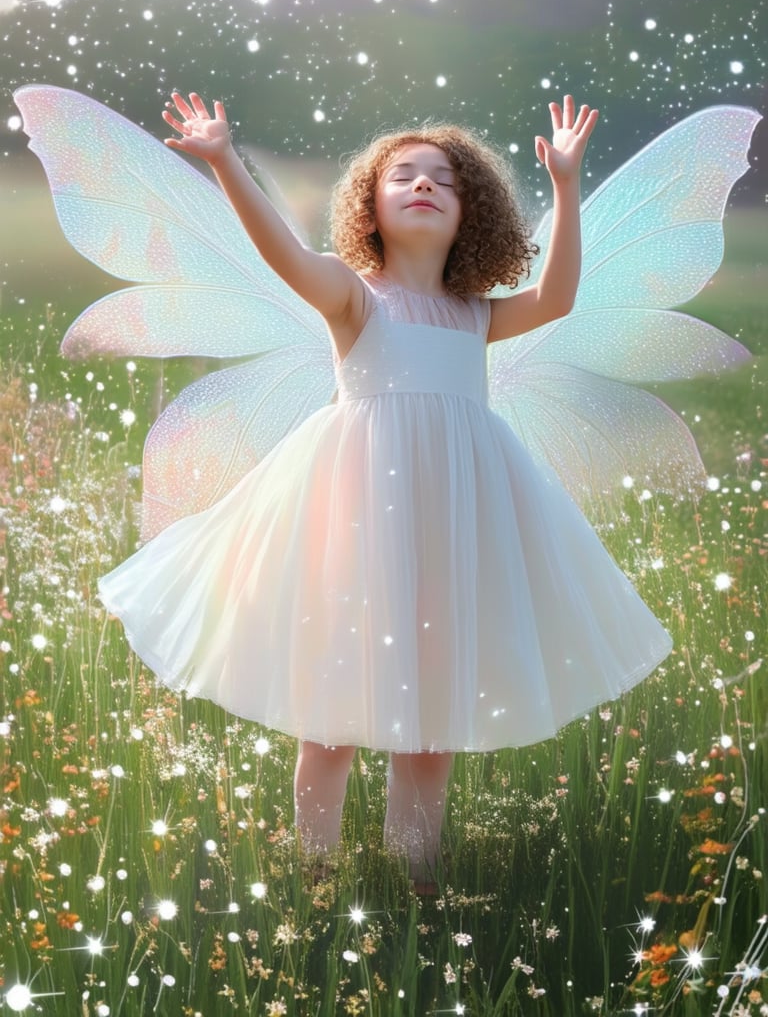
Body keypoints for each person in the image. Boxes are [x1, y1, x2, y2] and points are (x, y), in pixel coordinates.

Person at [97, 92, 673, 894]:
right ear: (371, 202)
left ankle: (418, 877)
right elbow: (283, 258)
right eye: (403, 175)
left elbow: (560, 297)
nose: (424, 185)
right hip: (356, 516)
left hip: (453, 522)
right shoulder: (352, 295)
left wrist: (569, 187)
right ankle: (316, 873)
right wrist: (226, 160)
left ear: (473, 212)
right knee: (331, 717)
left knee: (431, 722)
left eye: (444, 178)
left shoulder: (474, 315)